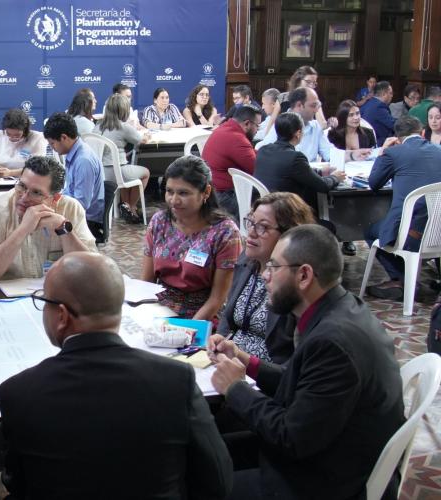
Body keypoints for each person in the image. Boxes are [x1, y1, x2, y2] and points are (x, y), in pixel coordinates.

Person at [0, 252, 233, 500]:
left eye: (44, 302)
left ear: (62, 316)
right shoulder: (177, 380)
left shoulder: (20, 393)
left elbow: (18, 484)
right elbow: (217, 481)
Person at [209, 224, 404, 500]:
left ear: (303, 275)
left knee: (202, 475)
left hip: (324, 478)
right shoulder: (343, 309)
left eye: (273, 267)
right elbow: (304, 384)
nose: (264, 275)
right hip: (327, 448)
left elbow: (291, 438)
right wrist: (245, 360)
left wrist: (236, 388)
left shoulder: (333, 341)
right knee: (205, 449)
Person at [217, 192, 315, 364]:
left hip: (266, 374)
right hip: (229, 360)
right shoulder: (246, 261)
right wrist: (219, 338)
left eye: (263, 227)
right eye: (251, 223)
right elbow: (227, 314)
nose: (251, 233)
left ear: (287, 234)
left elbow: (293, 354)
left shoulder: (296, 280)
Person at [0, 156, 97, 285]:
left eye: (36, 192)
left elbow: (91, 273)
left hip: (57, 295)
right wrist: (23, 229)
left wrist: (63, 228)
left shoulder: (70, 208)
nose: (24, 197)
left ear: (55, 198)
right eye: (22, 186)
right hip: (3, 299)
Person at [141, 156, 241, 321]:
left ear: (206, 192)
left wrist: (186, 330)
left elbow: (217, 299)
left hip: (202, 316)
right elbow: (146, 282)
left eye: (183, 193)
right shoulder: (159, 222)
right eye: (169, 191)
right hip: (159, 310)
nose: (174, 200)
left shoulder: (225, 233)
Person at [364, 116, 441, 299]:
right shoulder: (439, 150)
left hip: (411, 233)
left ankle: (404, 279)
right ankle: (409, 280)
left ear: (397, 138)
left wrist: (383, 152)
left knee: (370, 232)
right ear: (422, 132)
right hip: (438, 229)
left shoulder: (394, 153)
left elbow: (374, 183)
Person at [255, 112, 346, 215]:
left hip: (265, 208)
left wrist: (318, 172)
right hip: (287, 214)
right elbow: (322, 186)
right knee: (329, 226)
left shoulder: (263, 151)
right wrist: (335, 177)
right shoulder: (295, 157)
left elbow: (292, 172)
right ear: (298, 134)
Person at [258, 87, 370, 164]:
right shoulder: (282, 123)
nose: (317, 110)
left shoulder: (315, 126)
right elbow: (260, 148)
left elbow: (329, 153)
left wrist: (353, 155)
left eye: (318, 105)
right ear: (299, 105)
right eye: (313, 105)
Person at [44, 112, 104, 237]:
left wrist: (56, 208)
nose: (52, 147)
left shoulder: (83, 160)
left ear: (64, 137)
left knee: (41, 224)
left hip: (86, 221)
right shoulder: (74, 152)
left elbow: (81, 205)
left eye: (52, 143)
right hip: (76, 211)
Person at [95, 94, 151, 224]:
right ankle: (130, 206)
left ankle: (125, 205)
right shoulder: (123, 127)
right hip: (117, 173)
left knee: (127, 171)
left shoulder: (98, 125)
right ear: (124, 110)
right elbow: (141, 140)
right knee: (145, 173)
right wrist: (148, 135)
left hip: (100, 173)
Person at [201, 105, 262, 220]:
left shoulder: (225, 127)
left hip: (213, 189)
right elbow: (258, 170)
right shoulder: (237, 138)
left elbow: (248, 153)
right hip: (223, 196)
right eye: (257, 126)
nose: (257, 130)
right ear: (247, 124)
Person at [0, 108, 46, 178]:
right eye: (9, 134)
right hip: (2, 181)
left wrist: (11, 173)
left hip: (28, 181)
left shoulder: (36, 138)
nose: (12, 138)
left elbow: (38, 168)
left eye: (17, 135)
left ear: (25, 130)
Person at [361, 80, 396, 147]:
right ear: (383, 94)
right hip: (377, 145)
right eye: (390, 93)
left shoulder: (368, 103)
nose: (392, 96)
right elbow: (394, 125)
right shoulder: (379, 106)